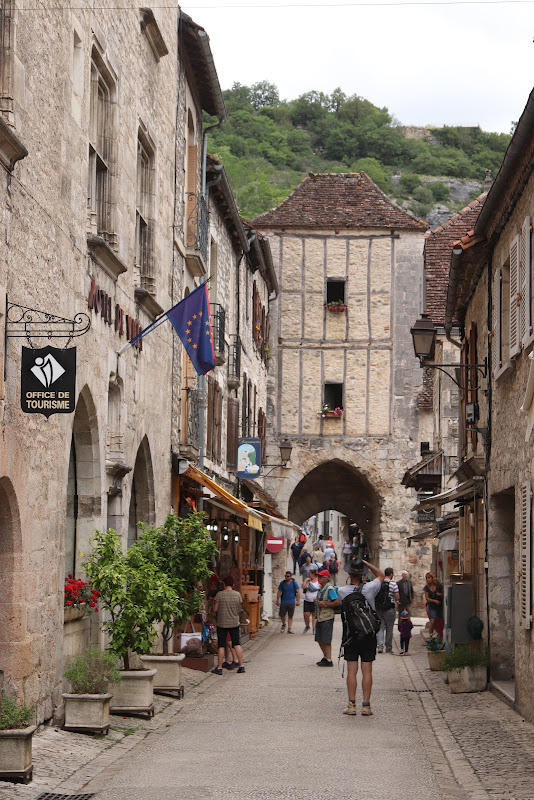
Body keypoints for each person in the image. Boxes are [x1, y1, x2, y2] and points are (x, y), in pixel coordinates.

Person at [335, 558, 384, 716]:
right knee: (367, 670)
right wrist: (366, 563)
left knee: (352, 670)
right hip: (368, 634)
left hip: (351, 635)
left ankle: (351, 705)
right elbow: (381, 575)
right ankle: (366, 706)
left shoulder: (342, 591)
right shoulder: (370, 588)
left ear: (349, 573)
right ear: (363, 574)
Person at [211, 576, 245, 675]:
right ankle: (241, 666)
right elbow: (239, 609)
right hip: (234, 623)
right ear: (233, 584)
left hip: (222, 623)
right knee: (236, 644)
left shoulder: (219, 595)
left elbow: (215, 609)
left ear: (224, 584)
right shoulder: (237, 595)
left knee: (221, 645)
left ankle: (219, 668)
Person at [314, 569, 338, 666]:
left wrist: (325, 605)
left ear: (326, 578)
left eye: (320, 577)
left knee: (326, 640)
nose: (318, 579)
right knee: (319, 639)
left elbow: (336, 602)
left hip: (327, 617)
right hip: (321, 617)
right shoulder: (322, 588)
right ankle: (325, 657)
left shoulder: (330, 589)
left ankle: (329, 659)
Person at [375, 567, 399, 654]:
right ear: (391, 574)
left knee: (381, 627)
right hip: (389, 608)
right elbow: (397, 597)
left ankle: (380, 646)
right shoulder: (393, 584)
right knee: (389, 628)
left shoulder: (379, 583)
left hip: (379, 608)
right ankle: (388, 648)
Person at [423, 571, 444, 636]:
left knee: (441, 621)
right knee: (432, 621)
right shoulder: (426, 587)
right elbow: (427, 598)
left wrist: (440, 594)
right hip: (431, 606)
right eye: (427, 578)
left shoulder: (439, 586)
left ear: (432, 578)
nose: (428, 579)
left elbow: (444, 594)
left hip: (440, 605)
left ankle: (441, 634)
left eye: (429, 578)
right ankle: (430, 636)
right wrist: (434, 601)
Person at [302, 567, 319, 633]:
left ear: (313, 574)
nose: (308, 575)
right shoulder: (308, 581)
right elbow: (303, 587)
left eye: (310, 574)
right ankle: (307, 626)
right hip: (307, 600)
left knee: (314, 615)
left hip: (314, 600)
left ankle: (314, 628)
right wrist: (306, 580)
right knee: (306, 614)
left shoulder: (318, 582)